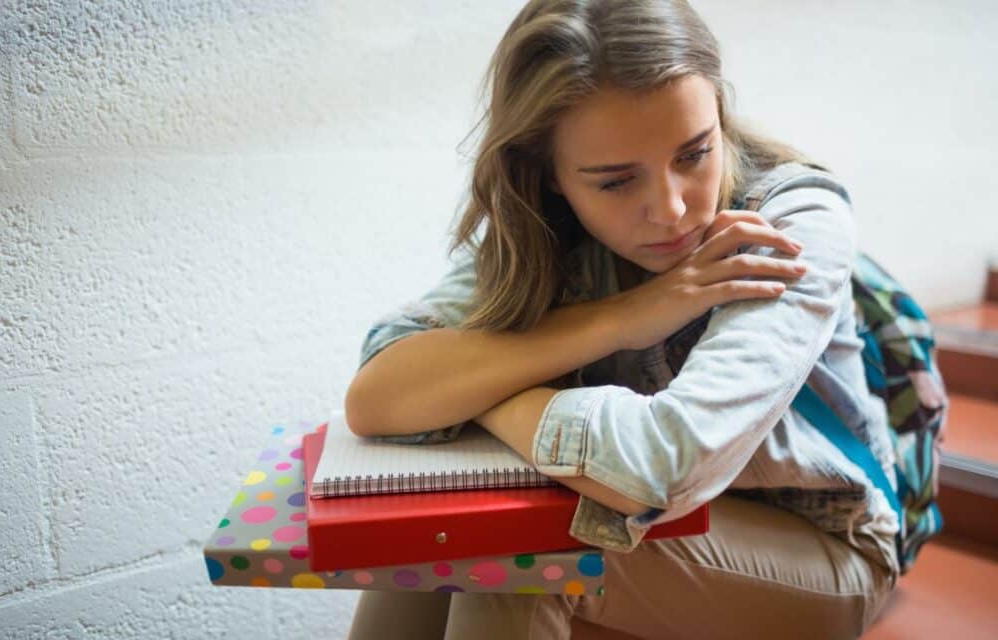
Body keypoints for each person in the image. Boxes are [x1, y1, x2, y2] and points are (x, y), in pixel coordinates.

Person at [344, 1, 899, 638]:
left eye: (694, 154)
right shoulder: (544, 236)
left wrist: (483, 392)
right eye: (615, 183)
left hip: (825, 551)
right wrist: (623, 318)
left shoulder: (790, 221)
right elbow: (378, 393)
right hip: (660, 534)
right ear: (547, 177)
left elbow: (659, 466)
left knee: (523, 555)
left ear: (719, 113)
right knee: (431, 534)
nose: (670, 210)